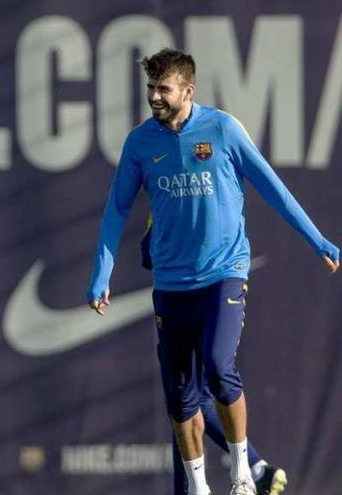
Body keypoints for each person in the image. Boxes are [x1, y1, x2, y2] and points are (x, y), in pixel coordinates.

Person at [86, 49, 338, 495]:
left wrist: (318, 240)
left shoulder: (221, 129)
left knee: (221, 370)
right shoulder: (141, 143)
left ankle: (244, 472)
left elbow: (273, 189)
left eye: (163, 89)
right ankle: (199, 488)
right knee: (181, 399)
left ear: (188, 90)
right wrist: (100, 275)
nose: (154, 97)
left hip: (224, 272)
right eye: (150, 88)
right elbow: (115, 210)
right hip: (170, 281)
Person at [142, 225, 287, 495]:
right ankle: (255, 469)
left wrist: (320, 243)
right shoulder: (163, 189)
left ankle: (250, 469)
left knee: (190, 394)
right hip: (184, 274)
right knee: (185, 397)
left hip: (199, 278)